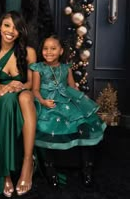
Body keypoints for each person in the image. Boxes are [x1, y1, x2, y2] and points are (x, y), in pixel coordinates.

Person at [30, 34, 107, 187]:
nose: (49, 52)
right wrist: (43, 101)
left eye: (53, 48)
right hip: (48, 102)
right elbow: (35, 90)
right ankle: (50, 169)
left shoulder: (66, 68)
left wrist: (80, 103)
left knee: (83, 123)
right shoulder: (38, 68)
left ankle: (87, 168)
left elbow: (72, 87)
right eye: (45, 48)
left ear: (60, 51)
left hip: (66, 99)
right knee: (46, 126)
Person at [0, 11, 37, 197]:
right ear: (0, 27)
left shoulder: (28, 52)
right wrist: (6, 86)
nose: (11, 31)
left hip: (23, 94)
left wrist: (16, 87)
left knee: (24, 97)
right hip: (1, 97)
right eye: (7, 25)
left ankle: (28, 162)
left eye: (16, 27)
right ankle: (6, 172)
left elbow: (31, 84)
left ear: (21, 31)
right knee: (7, 100)